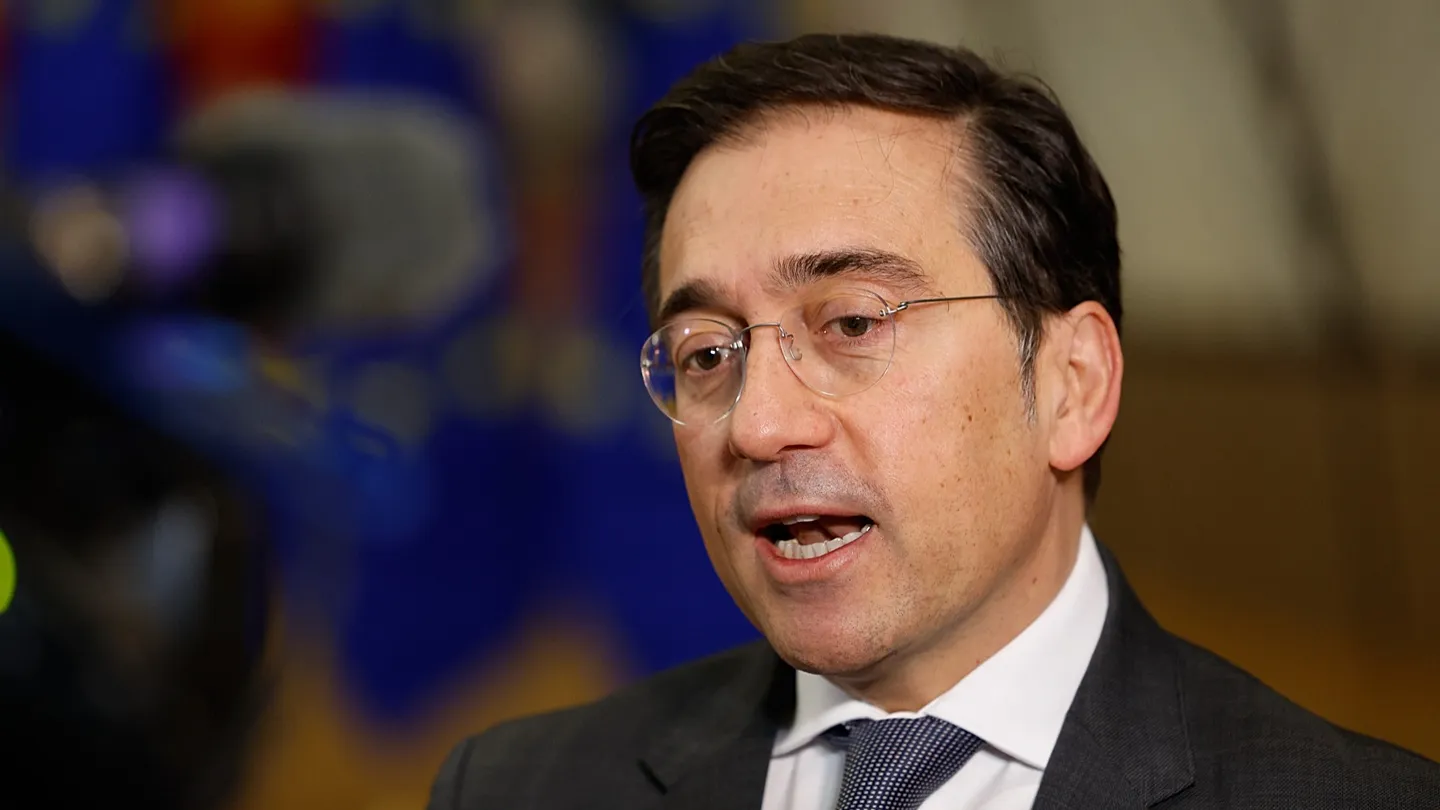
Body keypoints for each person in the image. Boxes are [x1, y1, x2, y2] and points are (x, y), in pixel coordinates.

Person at [427, 33, 1440, 809]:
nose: (758, 424)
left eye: (853, 323)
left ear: (1073, 384)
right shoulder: (516, 788)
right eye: (707, 354)